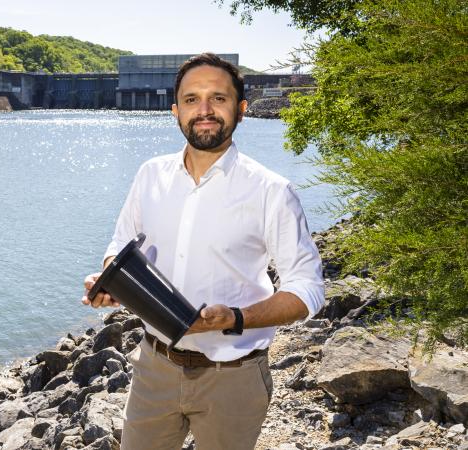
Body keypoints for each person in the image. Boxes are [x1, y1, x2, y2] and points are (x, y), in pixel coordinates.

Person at [82, 53, 324, 450]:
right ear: (175, 110)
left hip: (234, 377)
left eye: (219, 98)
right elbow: (118, 247)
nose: (205, 110)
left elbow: (309, 290)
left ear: (241, 110)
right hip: (153, 369)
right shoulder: (150, 174)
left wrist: (234, 318)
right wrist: (111, 280)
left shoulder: (271, 191)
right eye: (192, 99)